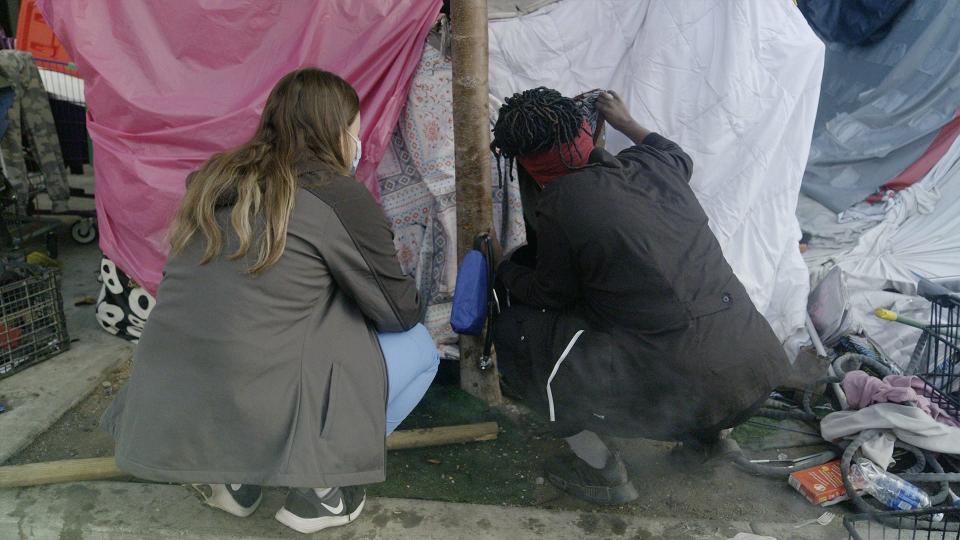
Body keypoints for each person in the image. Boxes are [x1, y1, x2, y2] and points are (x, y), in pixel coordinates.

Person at [101, 69, 440, 534]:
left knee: (283, 324)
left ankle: (237, 478)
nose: (357, 143)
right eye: (355, 131)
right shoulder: (337, 195)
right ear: (336, 132)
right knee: (419, 347)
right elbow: (396, 311)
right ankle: (322, 490)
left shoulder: (211, 178)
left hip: (169, 394)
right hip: (254, 393)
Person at [489, 88, 788, 505]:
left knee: (517, 329)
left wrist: (504, 266)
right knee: (684, 334)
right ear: (586, 132)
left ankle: (601, 471)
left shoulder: (561, 202)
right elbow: (676, 152)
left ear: (529, 164)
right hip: (757, 371)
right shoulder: (654, 163)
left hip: (684, 393)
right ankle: (711, 442)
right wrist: (626, 122)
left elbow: (550, 292)